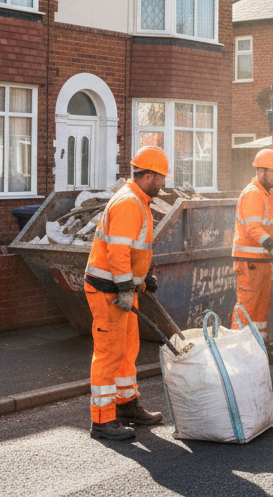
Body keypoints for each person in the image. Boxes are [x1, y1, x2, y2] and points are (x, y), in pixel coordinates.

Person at [85, 145, 169, 440]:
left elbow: (135, 251)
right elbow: (117, 252)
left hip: (122, 290)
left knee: (126, 349)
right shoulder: (129, 203)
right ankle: (102, 420)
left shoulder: (139, 201)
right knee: (108, 353)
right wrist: (124, 287)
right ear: (147, 176)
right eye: (161, 178)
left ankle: (126, 405)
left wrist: (144, 279)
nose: (163, 183)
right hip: (108, 291)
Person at [232, 148, 273, 339]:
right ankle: (240, 348)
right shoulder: (254, 194)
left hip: (260, 261)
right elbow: (253, 228)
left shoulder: (265, 193)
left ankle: (260, 347)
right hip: (250, 262)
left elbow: (268, 220)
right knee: (248, 307)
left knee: (262, 307)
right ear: (260, 171)